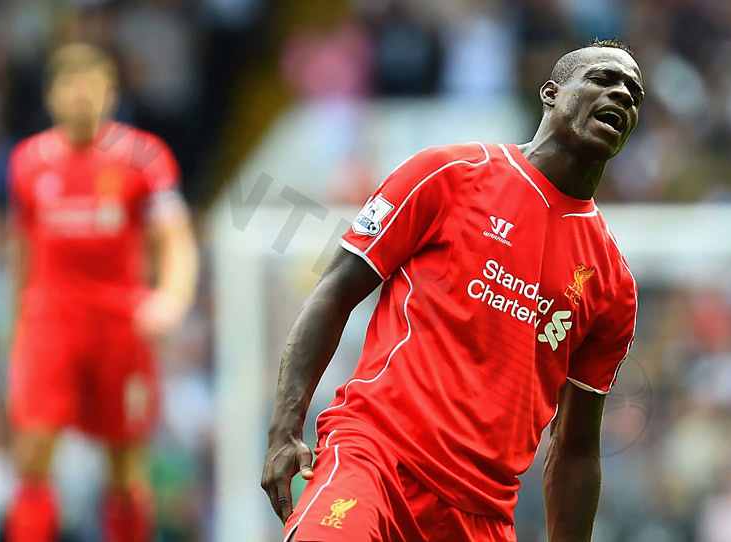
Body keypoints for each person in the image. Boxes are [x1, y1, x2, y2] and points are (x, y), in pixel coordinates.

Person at [262, 37, 644, 542]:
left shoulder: (612, 285)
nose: (621, 95)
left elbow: (574, 448)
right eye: (602, 79)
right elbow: (335, 290)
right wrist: (284, 428)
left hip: (479, 514)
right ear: (551, 93)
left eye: (634, 94)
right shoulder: (450, 174)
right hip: (375, 460)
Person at [6, 43, 198, 542]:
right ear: (51, 96)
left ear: (111, 93)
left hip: (119, 325)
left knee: (125, 463)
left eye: (91, 85)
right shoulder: (28, 162)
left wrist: (171, 297)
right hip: (50, 324)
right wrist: (16, 334)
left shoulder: (144, 158)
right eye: (69, 86)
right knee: (31, 456)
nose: (80, 96)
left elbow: (176, 238)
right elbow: (20, 253)